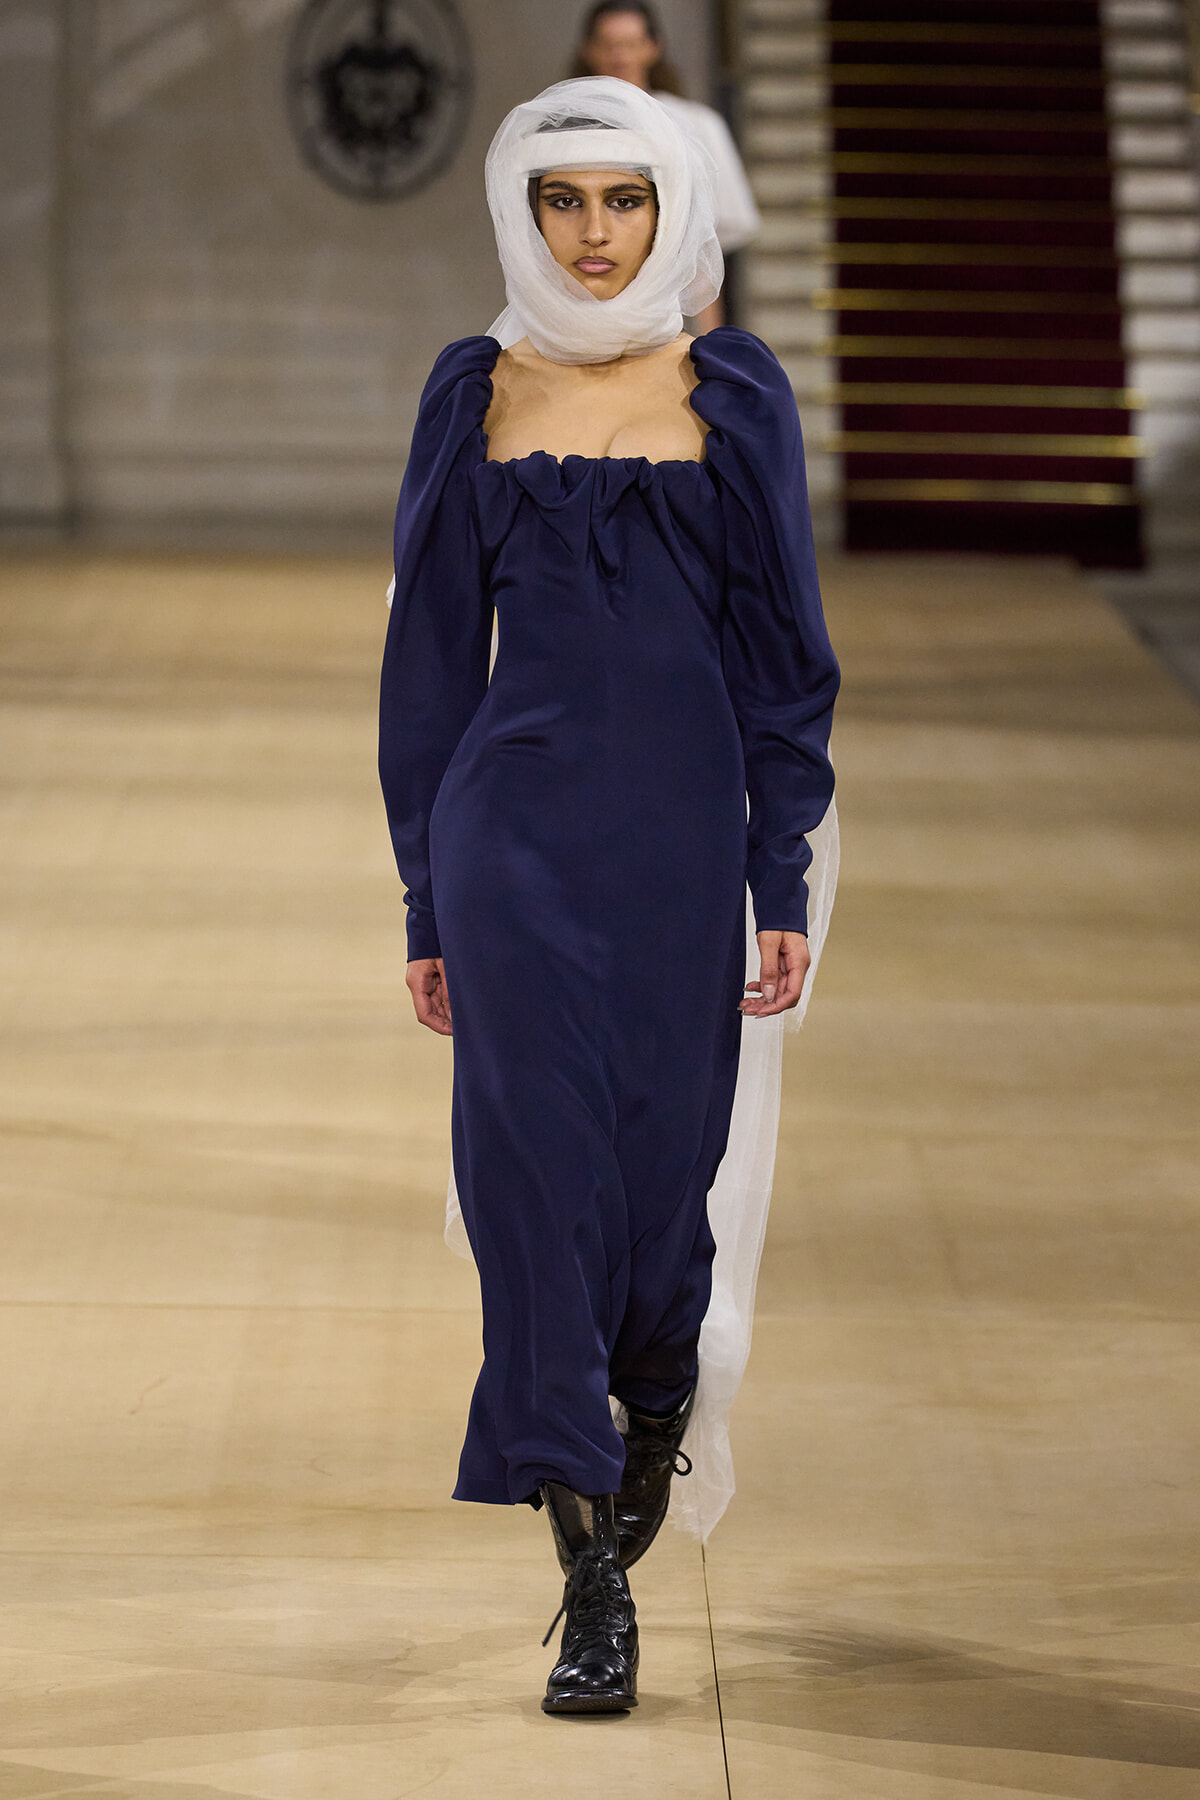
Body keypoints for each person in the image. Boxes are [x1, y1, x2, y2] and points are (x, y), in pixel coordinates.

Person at [378, 77, 838, 1718]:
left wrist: (778, 863)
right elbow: (428, 668)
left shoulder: (738, 393)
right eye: (561, 200)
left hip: (678, 841)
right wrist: (427, 895)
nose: (590, 234)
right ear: (520, 210)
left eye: (621, 200)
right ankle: (592, 1587)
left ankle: (645, 1425)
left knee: (659, 1199)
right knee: (533, 1196)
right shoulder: (471, 390)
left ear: (669, 211)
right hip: (512, 839)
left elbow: (786, 659)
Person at [571, 0, 761, 331]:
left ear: (652, 47)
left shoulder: (696, 124)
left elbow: (708, 237)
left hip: (671, 311)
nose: (620, 56)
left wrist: (710, 339)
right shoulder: (565, 128)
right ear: (588, 50)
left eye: (630, 44)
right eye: (609, 45)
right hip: (584, 305)